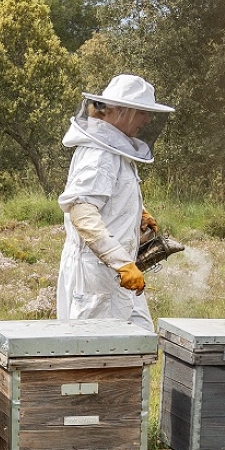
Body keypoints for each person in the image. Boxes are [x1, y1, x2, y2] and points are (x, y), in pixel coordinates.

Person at [56, 74, 173, 330]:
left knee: (139, 340)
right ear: (121, 111)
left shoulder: (114, 149)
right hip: (98, 276)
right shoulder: (100, 154)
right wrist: (121, 263)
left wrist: (138, 212)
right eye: (143, 112)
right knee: (100, 355)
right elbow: (82, 211)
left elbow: (108, 193)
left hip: (116, 273)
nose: (148, 120)